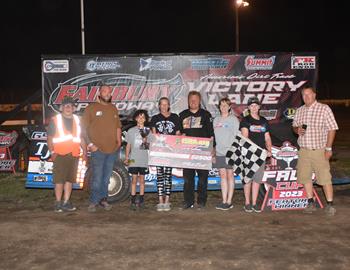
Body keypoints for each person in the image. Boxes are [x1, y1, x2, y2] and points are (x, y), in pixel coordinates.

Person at [292, 86, 338, 216]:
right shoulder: (300, 110)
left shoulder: (324, 109)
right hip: (304, 150)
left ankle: (330, 205)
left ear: (314, 95)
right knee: (305, 177)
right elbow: (294, 127)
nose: (306, 97)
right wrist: (297, 130)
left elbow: (332, 129)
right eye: (304, 95)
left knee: (324, 178)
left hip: (319, 150)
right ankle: (310, 203)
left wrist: (328, 148)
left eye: (309, 94)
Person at [82, 85, 122, 213]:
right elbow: (83, 129)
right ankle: (93, 202)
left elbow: (117, 127)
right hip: (97, 150)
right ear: (99, 93)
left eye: (109, 92)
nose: (107, 94)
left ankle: (103, 200)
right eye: (105, 91)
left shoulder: (113, 108)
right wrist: (90, 144)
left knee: (106, 178)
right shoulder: (91, 108)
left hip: (112, 150)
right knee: (97, 177)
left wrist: (119, 141)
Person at [47, 96, 85, 212]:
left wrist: (85, 153)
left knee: (69, 180)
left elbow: (81, 138)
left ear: (74, 108)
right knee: (59, 180)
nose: (68, 108)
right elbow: (49, 138)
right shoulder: (55, 120)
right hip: (60, 154)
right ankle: (58, 203)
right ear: (61, 108)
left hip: (74, 154)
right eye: (66, 106)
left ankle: (66, 202)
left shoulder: (78, 120)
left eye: (71, 106)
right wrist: (52, 152)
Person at [179, 91, 215, 209]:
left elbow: (211, 133)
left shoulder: (206, 115)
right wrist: (180, 137)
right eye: (191, 99)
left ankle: (201, 201)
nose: (193, 102)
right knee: (188, 179)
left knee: (202, 178)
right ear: (188, 101)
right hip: (187, 152)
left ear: (199, 101)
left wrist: (213, 149)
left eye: (195, 99)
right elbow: (178, 133)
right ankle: (188, 201)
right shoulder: (182, 115)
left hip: (203, 152)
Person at [240, 96, 272, 213]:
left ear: (259, 107)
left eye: (256, 105)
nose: (254, 108)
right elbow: (245, 138)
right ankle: (247, 203)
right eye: (251, 106)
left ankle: (254, 203)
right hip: (248, 154)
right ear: (248, 107)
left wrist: (269, 150)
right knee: (248, 179)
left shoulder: (264, 121)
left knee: (257, 180)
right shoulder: (245, 121)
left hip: (261, 155)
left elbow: (267, 138)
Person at [151, 97, 181, 211]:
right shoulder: (155, 118)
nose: (164, 106)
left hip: (170, 151)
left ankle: (167, 201)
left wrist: (177, 146)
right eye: (162, 104)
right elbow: (153, 135)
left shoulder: (175, 117)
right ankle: (160, 201)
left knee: (168, 175)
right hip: (159, 151)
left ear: (169, 105)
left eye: (166, 104)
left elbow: (178, 134)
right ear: (159, 106)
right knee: (159, 176)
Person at [213, 97, 240, 211]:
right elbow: (214, 137)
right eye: (221, 105)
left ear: (229, 107)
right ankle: (224, 201)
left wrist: (233, 151)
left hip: (230, 152)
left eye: (225, 105)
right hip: (219, 151)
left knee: (230, 176)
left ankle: (229, 201)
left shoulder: (233, 119)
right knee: (222, 176)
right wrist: (214, 151)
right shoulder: (216, 119)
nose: (223, 107)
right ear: (219, 107)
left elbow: (236, 136)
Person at [124, 110, 151, 210]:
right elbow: (128, 145)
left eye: (143, 117)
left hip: (143, 159)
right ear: (135, 118)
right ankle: (133, 199)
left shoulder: (147, 130)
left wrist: (144, 134)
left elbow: (147, 146)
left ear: (145, 119)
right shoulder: (131, 131)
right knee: (134, 179)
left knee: (142, 180)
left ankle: (141, 200)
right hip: (133, 160)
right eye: (139, 117)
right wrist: (127, 158)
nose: (141, 119)